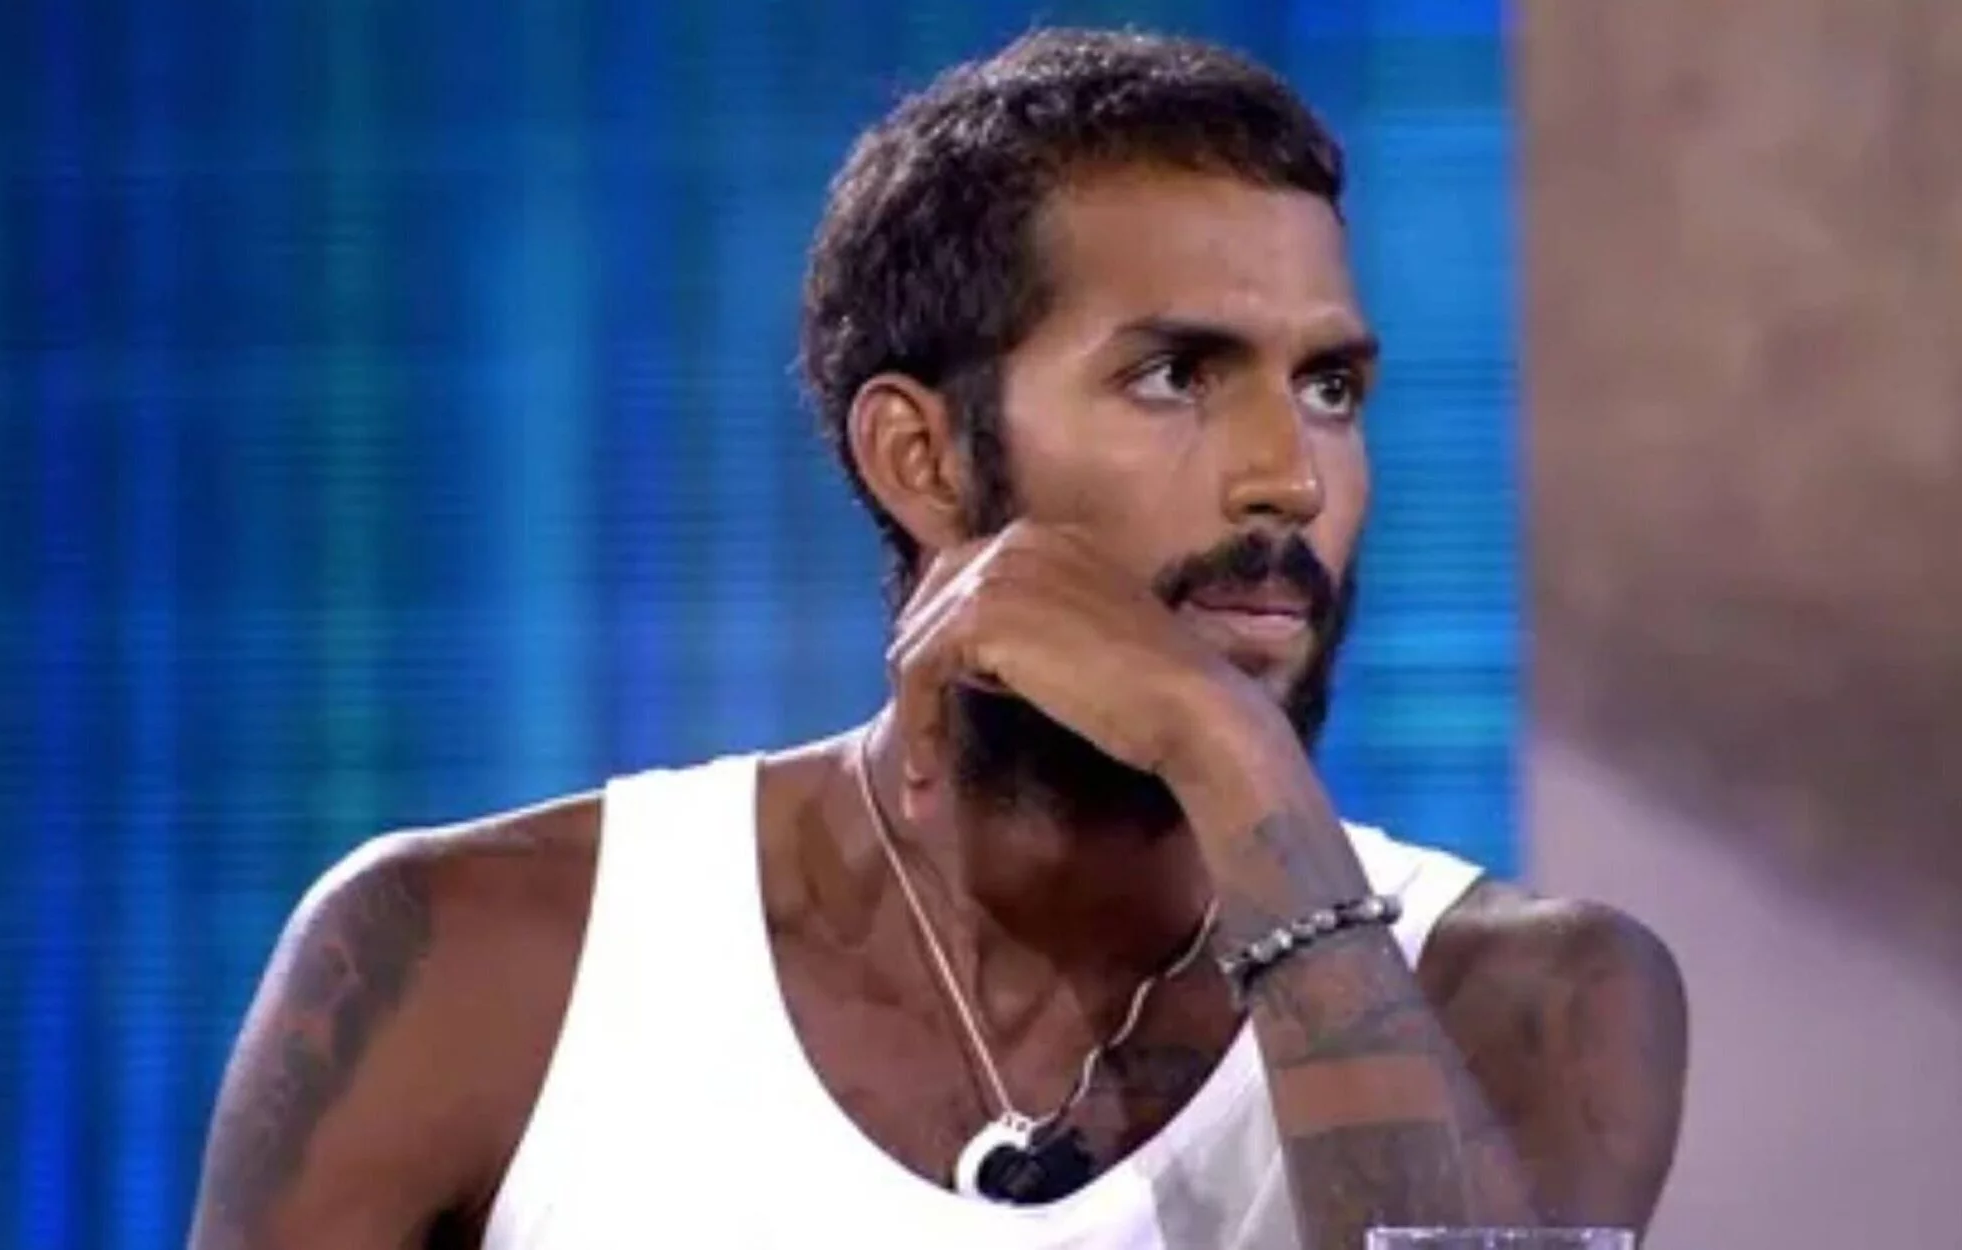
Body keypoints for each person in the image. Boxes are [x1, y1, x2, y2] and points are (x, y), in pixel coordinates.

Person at [187, 27, 1688, 1250]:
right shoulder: (471, 959)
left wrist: (1236, 769)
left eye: (1331, 389)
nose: (1288, 477)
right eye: (1178, 375)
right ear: (923, 459)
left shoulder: (1534, 997)